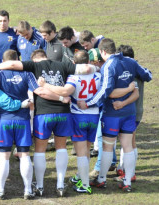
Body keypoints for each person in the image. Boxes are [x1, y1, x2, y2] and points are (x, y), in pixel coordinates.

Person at [0, 49, 97, 197]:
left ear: (34, 59)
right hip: (63, 113)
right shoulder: (63, 65)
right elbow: (87, 68)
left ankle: (39, 185)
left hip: (43, 114)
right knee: (61, 148)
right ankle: (60, 184)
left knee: (39, 150)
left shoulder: (32, 67)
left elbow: (13, 66)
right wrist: (98, 67)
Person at [0, 49, 63, 200]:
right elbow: (39, 91)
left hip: (5, 121)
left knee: (3, 156)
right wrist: (60, 97)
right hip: (23, 120)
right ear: (17, 60)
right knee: (25, 155)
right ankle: (28, 190)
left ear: (2, 60)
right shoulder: (27, 73)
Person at [77, 38, 152, 192]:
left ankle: (102, 179)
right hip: (129, 112)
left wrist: (89, 102)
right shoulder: (131, 62)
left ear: (103, 51)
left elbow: (105, 91)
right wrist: (130, 86)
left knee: (107, 146)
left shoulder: (109, 65)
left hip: (112, 114)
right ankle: (127, 182)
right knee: (128, 145)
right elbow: (148, 75)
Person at [38, 50, 101, 194]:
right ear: (89, 62)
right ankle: (80, 176)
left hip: (78, 116)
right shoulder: (98, 75)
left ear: (74, 63)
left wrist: (45, 85)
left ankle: (85, 185)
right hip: (94, 116)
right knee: (87, 148)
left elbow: (65, 91)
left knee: (80, 152)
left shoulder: (74, 77)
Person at [114, 45, 142, 183]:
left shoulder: (130, 70)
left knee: (129, 142)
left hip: (131, 111)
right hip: (136, 110)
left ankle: (130, 173)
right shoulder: (138, 69)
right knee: (128, 141)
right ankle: (123, 168)